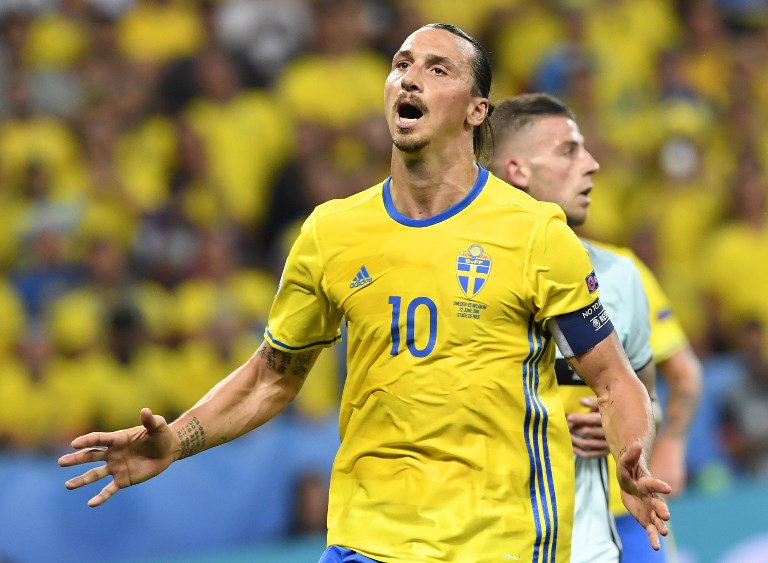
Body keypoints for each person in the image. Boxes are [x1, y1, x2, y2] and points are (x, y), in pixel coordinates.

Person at [59, 24, 670, 563]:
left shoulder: (535, 233)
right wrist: (178, 439)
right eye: (402, 64)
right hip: (367, 541)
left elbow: (614, 380)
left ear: (476, 111)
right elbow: (271, 378)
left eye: (438, 69)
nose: (411, 78)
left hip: (499, 543)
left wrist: (632, 457)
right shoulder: (331, 233)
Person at [486, 92, 697, 563]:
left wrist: (633, 433)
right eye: (569, 151)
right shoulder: (467, 277)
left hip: (610, 520)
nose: (592, 164)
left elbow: (650, 395)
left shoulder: (621, 275)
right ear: (518, 170)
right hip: (494, 531)